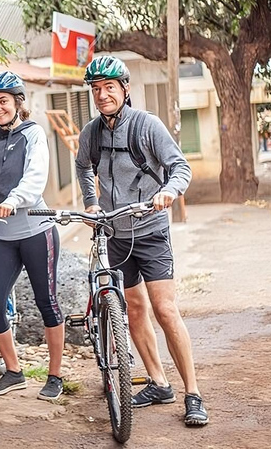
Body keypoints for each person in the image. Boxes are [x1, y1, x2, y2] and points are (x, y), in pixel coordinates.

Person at [76, 55, 208, 426]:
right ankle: (158, 381)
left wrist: (169, 192)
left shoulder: (147, 125)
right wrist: (91, 202)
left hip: (151, 232)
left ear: (125, 89)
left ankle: (192, 393)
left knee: (164, 309)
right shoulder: (91, 133)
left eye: (109, 88)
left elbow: (181, 167)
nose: (102, 95)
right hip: (115, 233)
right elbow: (83, 165)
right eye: (96, 89)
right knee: (134, 309)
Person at [0, 71, 66, 400]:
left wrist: (13, 200)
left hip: (36, 231)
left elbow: (35, 176)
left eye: (3, 101)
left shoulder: (33, 133)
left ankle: (54, 376)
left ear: (17, 102)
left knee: (47, 303)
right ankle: (14, 371)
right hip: (5, 235)